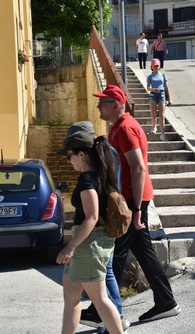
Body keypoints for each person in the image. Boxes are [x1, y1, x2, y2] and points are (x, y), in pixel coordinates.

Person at [94, 85, 181, 322]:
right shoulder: (119, 127)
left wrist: (134, 209)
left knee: (115, 256)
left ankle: (104, 312)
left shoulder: (125, 128)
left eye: (103, 102)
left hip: (132, 202)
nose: (99, 106)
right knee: (143, 253)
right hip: (133, 200)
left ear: (116, 105)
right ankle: (165, 301)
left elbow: (139, 167)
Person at [63, 122, 129, 332]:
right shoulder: (100, 175)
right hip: (89, 244)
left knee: (100, 300)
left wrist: (70, 246)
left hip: (87, 246)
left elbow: (91, 217)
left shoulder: (87, 180)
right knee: (71, 300)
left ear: (81, 154)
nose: (68, 160)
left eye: (69, 155)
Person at [147, 58, 171, 141]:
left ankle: (162, 133)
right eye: (154, 66)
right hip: (153, 94)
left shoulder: (163, 75)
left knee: (162, 115)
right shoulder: (150, 76)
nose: (156, 67)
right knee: (153, 114)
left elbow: (167, 87)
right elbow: (148, 88)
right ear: (152, 66)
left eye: (157, 65)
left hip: (161, 94)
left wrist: (169, 98)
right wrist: (153, 89)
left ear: (159, 66)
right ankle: (154, 127)